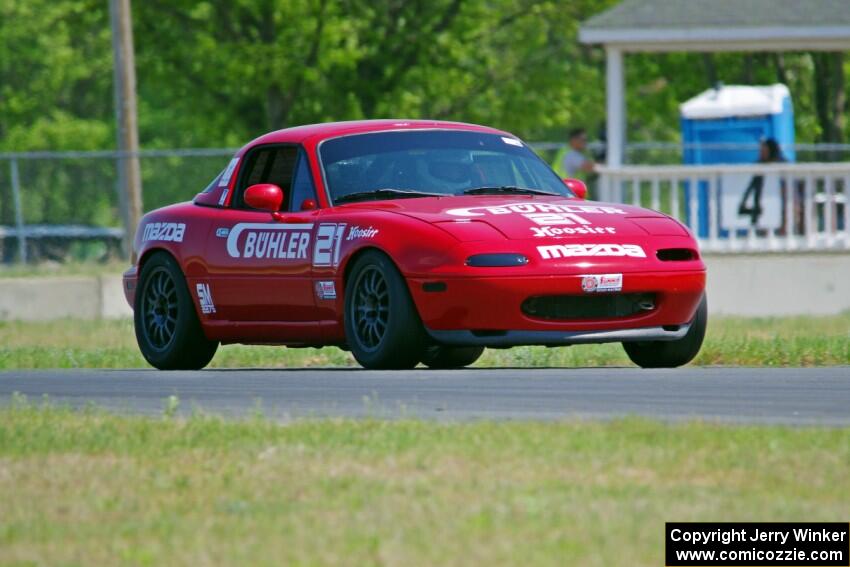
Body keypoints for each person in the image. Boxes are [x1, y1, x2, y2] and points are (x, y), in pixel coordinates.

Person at [738, 138, 785, 229]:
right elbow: (751, 188)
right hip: (762, 208)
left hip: (779, 207)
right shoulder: (758, 166)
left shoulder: (782, 165)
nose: (761, 153)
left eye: (764, 151)